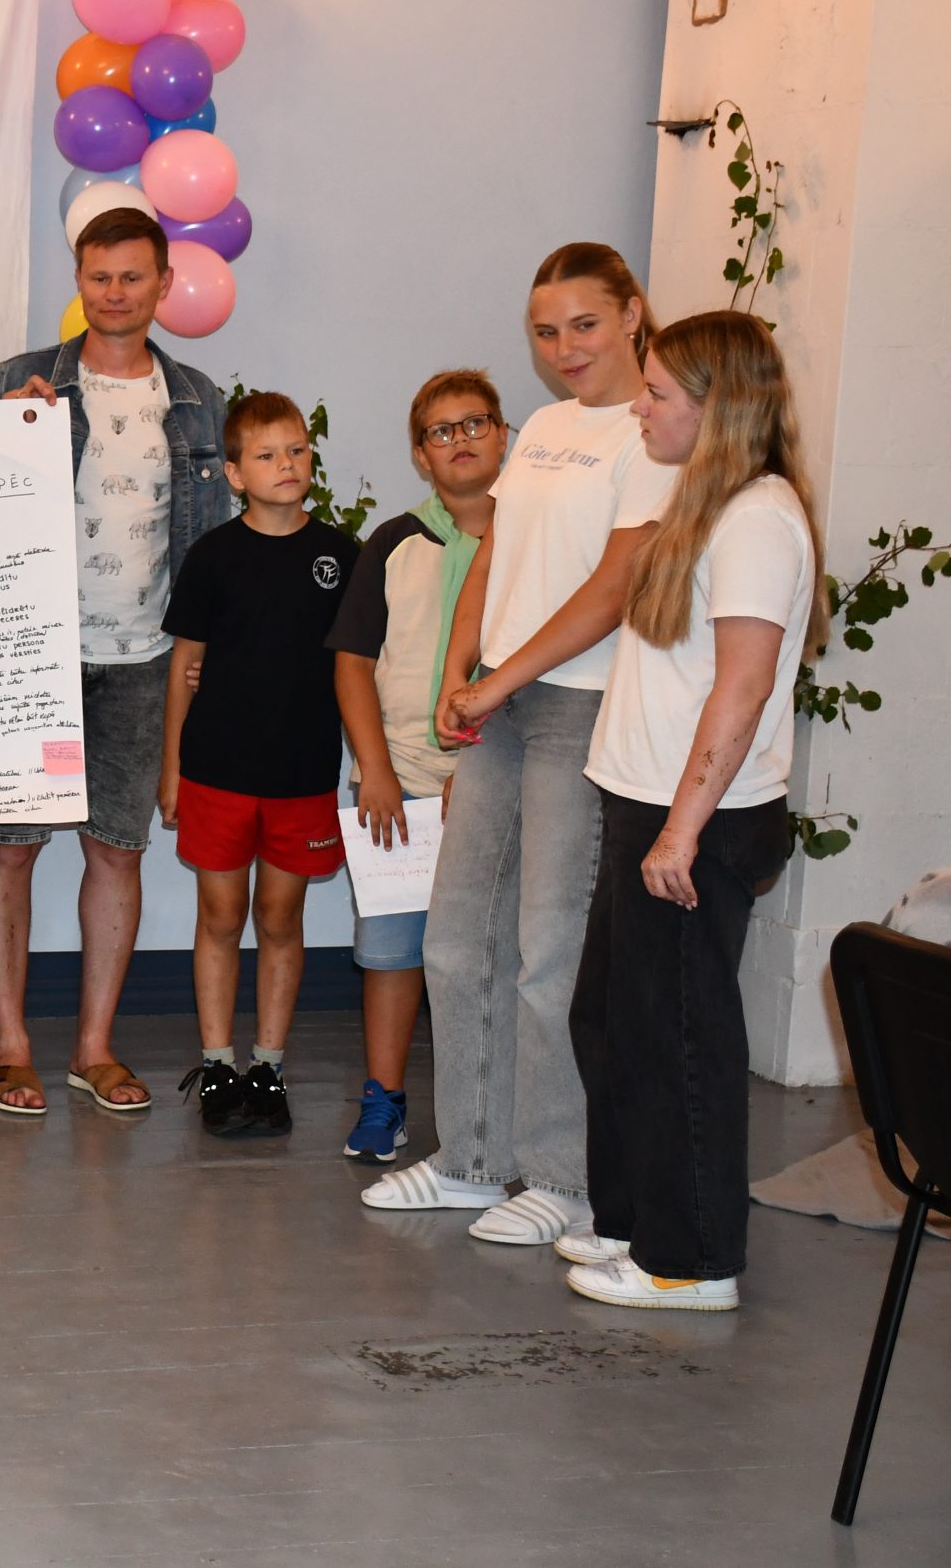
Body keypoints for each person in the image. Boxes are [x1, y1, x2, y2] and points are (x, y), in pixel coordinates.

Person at [361, 243, 678, 1242]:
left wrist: (498, 680)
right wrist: (463, 667)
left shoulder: (651, 436)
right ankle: (471, 1158)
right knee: (457, 939)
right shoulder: (541, 427)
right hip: (498, 706)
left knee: (549, 953)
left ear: (631, 315)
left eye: (584, 324)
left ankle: (562, 1179)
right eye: (546, 331)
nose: (564, 348)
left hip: (577, 711)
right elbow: (494, 551)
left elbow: (613, 588)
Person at [559, 310, 820, 1312]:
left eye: (659, 392)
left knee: (677, 1037)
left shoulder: (756, 518)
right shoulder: (701, 503)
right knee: (612, 1021)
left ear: (717, 410)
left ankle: (693, 1260)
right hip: (646, 803)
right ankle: (632, 1220)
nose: (640, 405)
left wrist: (682, 828)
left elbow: (742, 687)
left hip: (695, 819)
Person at [0, 207, 232, 1117]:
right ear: (78, 282)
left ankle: (93, 1048)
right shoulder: (21, 380)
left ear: (164, 283)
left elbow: (211, 548)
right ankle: (11, 1048)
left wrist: (199, 664)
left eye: (132, 276)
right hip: (30, 655)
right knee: (9, 848)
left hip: (144, 659)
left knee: (118, 852)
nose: (114, 293)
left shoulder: (196, 398)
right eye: (98, 277)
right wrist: (13, 431)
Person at [158, 392, 356, 1137]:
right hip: (216, 773)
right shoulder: (213, 556)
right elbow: (184, 667)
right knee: (220, 916)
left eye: (297, 450)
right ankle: (217, 1065)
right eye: (267, 455)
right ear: (236, 474)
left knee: (280, 918)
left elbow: (358, 669)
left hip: (302, 775)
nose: (287, 464)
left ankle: (268, 1067)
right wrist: (171, 766)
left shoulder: (341, 556)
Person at [324, 371, 507, 1161]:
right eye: (441, 430)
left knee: (489, 953)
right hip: (397, 782)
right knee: (392, 952)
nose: (459, 440)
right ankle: (384, 1100)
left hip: (496, 780)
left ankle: (488, 1113)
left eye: (475, 423)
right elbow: (352, 663)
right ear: (421, 454)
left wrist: (489, 770)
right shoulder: (394, 542)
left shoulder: (536, 539)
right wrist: (376, 770)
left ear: (503, 435)